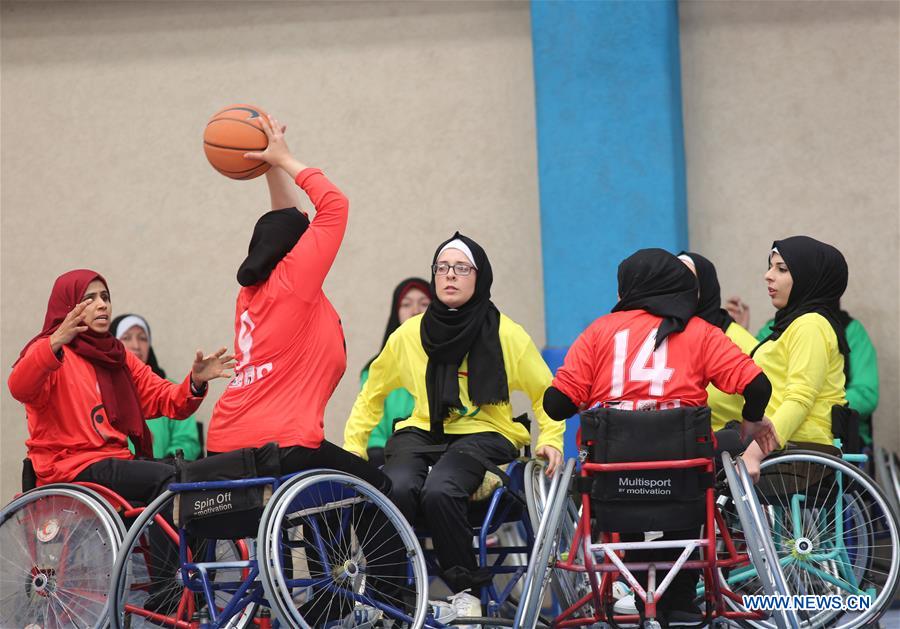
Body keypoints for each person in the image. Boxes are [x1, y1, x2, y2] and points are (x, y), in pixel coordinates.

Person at [205, 115, 407, 625]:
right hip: (283, 444)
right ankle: (383, 606)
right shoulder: (297, 280)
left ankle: (328, 602)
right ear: (296, 249)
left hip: (229, 443)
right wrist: (290, 161)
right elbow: (333, 206)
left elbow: (284, 220)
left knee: (331, 498)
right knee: (378, 491)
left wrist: (270, 162)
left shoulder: (251, 293)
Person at [542, 248, 778, 626]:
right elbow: (758, 386)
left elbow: (555, 405)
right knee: (715, 452)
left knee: (627, 480)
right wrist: (750, 427)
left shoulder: (599, 332)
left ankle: (639, 591)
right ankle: (681, 599)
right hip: (684, 482)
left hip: (613, 484)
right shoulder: (700, 331)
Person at [343, 232, 565, 621]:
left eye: (461, 268)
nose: (449, 276)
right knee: (392, 487)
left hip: (485, 433)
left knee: (441, 489)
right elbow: (371, 392)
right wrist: (354, 447)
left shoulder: (506, 334)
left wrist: (551, 438)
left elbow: (546, 392)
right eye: (442, 268)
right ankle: (387, 597)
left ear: (480, 277)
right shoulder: (410, 334)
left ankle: (467, 591)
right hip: (422, 430)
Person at [9, 269, 230, 496]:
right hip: (69, 467)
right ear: (68, 307)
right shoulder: (50, 351)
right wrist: (55, 341)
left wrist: (195, 382)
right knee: (167, 479)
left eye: (105, 297)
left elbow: (165, 398)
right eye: (90, 299)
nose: (102, 304)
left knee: (190, 474)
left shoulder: (117, 355)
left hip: (115, 460)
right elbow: (19, 387)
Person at [741, 236, 851, 474]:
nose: (768, 275)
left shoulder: (810, 325)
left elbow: (799, 400)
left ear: (808, 278)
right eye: (770, 266)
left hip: (801, 448)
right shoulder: (791, 325)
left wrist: (753, 453)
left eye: (781, 269)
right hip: (785, 442)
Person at [755, 307, 878, 449]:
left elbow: (866, 394)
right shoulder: (773, 327)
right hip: (772, 427)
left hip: (835, 438)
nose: (769, 283)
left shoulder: (842, 329)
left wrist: (812, 402)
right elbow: (748, 374)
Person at [677, 252, 760, 431]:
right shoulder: (664, 336)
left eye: (688, 280)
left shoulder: (741, 342)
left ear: (706, 288)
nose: (678, 287)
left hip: (726, 451)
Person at [360, 277, 432, 467]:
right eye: (406, 304)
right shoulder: (375, 369)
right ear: (396, 313)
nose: (415, 310)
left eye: (424, 304)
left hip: (437, 452)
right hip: (390, 454)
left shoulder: (452, 360)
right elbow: (372, 428)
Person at [112, 313, 203, 460]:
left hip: (165, 475)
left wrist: (165, 464)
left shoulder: (171, 390)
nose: (136, 346)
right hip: (115, 473)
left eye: (142, 338)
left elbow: (187, 441)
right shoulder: (102, 388)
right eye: (126, 338)